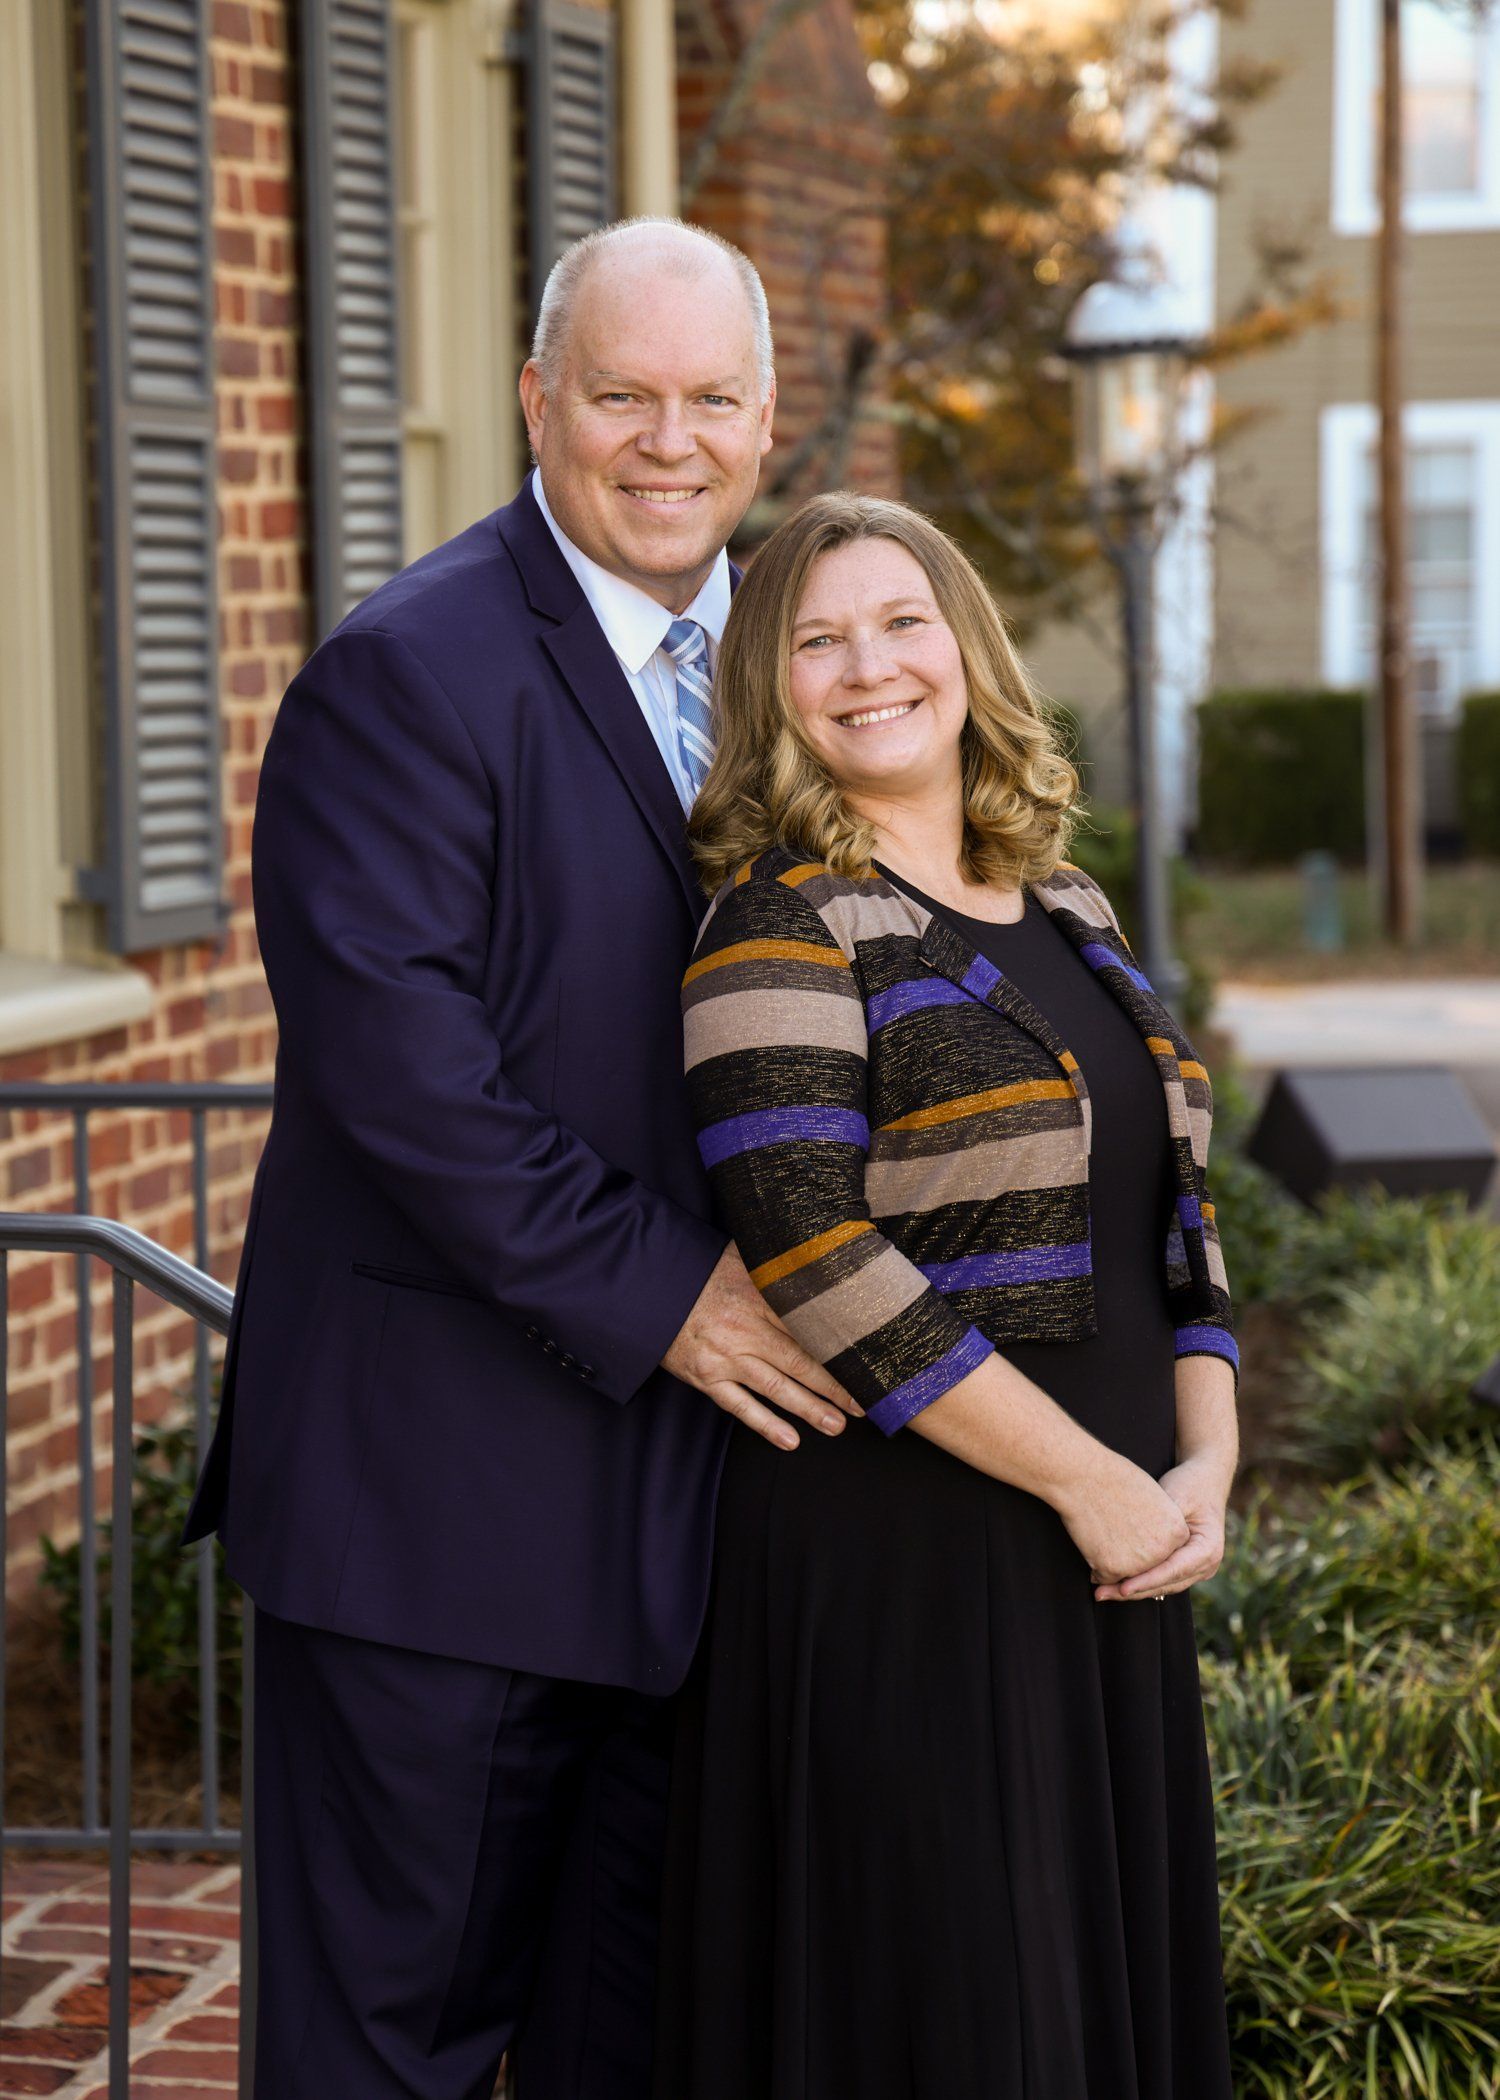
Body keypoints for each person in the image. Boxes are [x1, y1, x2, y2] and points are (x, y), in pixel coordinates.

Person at [183, 219, 860, 2100]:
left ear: (765, 412)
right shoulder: (409, 673)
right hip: (442, 1512)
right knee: (385, 2055)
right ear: (537, 400)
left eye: (711, 398)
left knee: (631, 2045)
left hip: (706, 1515)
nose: (669, 441)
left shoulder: (793, 670)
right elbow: (409, 1083)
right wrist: (679, 1295)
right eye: (623, 396)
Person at [655, 491, 1240, 2100]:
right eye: (818, 643)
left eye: (901, 623)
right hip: (912, 1552)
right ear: (771, 692)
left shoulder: (1069, 909)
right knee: (967, 2011)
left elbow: (1178, 1219)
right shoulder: (776, 923)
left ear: (967, 650)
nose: (869, 669)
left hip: (1111, 1545)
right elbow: (814, 1253)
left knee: (1096, 1983)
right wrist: (1094, 1483)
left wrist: (1205, 1464)